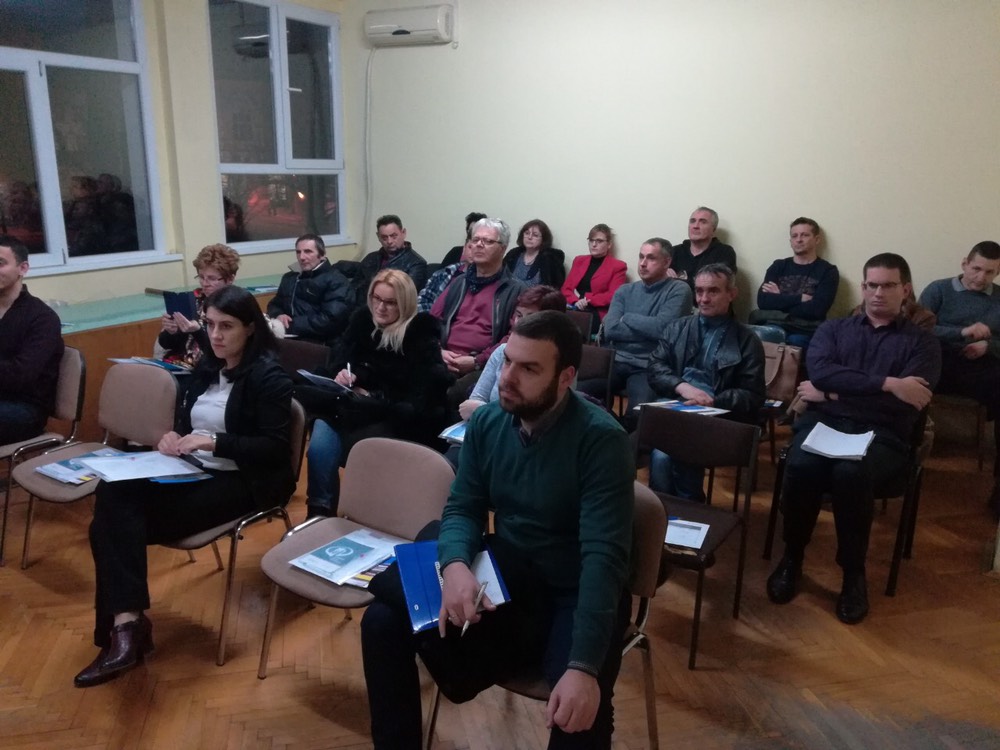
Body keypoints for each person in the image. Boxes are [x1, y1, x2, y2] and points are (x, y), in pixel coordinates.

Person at [360, 310, 634, 749]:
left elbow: (603, 559)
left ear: (566, 378)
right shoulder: (489, 423)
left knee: (577, 711)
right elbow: (463, 507)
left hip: (575, 589)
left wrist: (583, 666)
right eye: (507, 360)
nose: (507, 378)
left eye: (529, 369)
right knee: (381, 621)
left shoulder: (601, 440)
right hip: (510, 575)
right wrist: (455, 565)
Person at [74, 285, 294, 687]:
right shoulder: (207, 369)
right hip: (195, 469)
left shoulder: (269, 376)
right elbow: (188, 422)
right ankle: (127, 625)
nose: (215, 335)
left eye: (226, 326)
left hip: (243, 480)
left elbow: (275, 449)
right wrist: (172, 437)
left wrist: (213, 443)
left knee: (108, 527)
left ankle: (124, 632)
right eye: (210, 324)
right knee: (111, 492)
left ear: (250, 328)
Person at [767, 253, 941, 625]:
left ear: (905, 289)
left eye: (888, 285)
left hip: (884, 434)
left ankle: (853, 573)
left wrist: (832, 394)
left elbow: (905, 406)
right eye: (871, 285)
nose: (878, 293)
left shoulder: (923, 344)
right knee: (801, 464)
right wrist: (889, 384)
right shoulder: (833, 330)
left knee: (851, 473)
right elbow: (821, 374)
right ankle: (792, 557)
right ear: (862, 287)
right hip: (824, 424)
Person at [296, 270, 452, 519]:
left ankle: (368, 518)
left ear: (404, 304)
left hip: (391, 418)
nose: (380, 307)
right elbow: (339, 361)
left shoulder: (420, 334)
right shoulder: (362, 322)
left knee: (362, 455)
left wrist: (373, 397)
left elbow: (420, 400)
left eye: (390, 302)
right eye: (376, 299)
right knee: (318, 448)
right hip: (346, 406)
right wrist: (344, 375)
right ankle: (319, 513)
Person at [646, 263, 765, 500]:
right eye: (699, 291)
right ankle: (674, 510)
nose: (703, 299)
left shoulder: (747, 340)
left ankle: (683, 508)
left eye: (713, 291)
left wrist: (713, 400)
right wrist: (682, 386)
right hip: (676, 404)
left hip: (720, 416)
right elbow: (655, 367)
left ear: (732, 294)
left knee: (667, 453)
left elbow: (753, 395)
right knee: (659, 454)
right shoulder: (677, 328)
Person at [917, 240, 1000, 514]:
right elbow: (917, 329)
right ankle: (906, 454)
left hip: (980, 366)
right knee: (911, 378)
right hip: (939, 361)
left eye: (989, 272)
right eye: (976, 269)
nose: (981, 277)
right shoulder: (938, 289)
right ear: (965, 263)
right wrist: (962, 333)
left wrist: (989, 346)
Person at [578, 238, 692, 420]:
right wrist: (646, 328)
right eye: (641, 257)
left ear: (667, 262)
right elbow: (611, 329)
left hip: (649, 366)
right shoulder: (624, 291)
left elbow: (663, 329)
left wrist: (627, 318)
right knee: (576, 394)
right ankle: (608, 428)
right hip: (615, 361)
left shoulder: (678, 290)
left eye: (651, 258)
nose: (643, 263)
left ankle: (621, 433)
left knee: (638, 413)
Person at [430, 218, 525, 399]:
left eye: (488, 241)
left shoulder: (516, 290)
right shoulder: (459, 282)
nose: (479, 245)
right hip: (443, 357)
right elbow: (431, 322)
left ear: (503, 248)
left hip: (484, 365)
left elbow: (514, 336)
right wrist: (438, 350)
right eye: (475, 240)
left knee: (452, 394)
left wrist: (476, 361)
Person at [0, 235, 64, 444]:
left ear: (23, 268)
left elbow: (20, 375)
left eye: (1, 263)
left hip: (25, 408)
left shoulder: (42, 318)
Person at [751, 217, 840, 349]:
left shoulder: (828, 271)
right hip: (775, 325)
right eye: (794, 236)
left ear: (817, 239)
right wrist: (800, 298)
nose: (799, 239)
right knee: (763, 336)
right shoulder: (778, 266)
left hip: (806, 329)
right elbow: (763, 301)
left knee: (795, 340)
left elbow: (817, 310)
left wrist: (779, 298)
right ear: (790, 241)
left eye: (805, 235)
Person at [156, 243, 240, 367]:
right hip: (180, 365)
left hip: (213, 370)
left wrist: (197, 331)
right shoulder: (193, 300)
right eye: (201, 277)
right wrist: (171, 331)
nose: (205, 283)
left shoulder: (236, 306)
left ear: (230, 279)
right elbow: (167, 344)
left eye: (212, 278)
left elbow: (221, 356)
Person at [267, 233, 353, 345]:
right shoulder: (289, 278)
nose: (302, 257)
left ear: (321, 255)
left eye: (308, 251)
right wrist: (278, 315)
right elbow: (274, 304)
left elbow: (331, 319)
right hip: (288, 339)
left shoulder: (336, 281)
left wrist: (290, 326)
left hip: (321, 343)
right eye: (298, 252)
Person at [561, 223, 628, 332]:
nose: (594, 244)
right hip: (573, 305)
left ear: (609, 244)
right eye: (591, 240)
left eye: (599, 241)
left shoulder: (618, 266)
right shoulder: (579, 260)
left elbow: (613, 296)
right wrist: (575, 301)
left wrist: (586, 298)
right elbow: (566, 289)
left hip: (596, 311)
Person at [669, 207, 737, 293]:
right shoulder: (674, 251)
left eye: (703, 222)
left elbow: (713, 287)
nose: (695, 226)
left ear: (713, 230)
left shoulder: (724, 252)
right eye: (692, 221)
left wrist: (675, 281)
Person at [358, 214, 429, 292]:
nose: (389, 241)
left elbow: (405, 294)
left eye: (394, 236)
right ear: (378, 237)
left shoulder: (416, 263)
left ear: (403, 233)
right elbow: (356, 286)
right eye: (384, 237)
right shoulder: (371, 258)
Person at [503, 218, 567, 288]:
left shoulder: (550, 259)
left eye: (535, 235)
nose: (529, 237)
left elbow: (554, 288)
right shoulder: (513, 254)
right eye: (527, 233)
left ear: (543, 239)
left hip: (537, 295)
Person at [418, 238, 472, 313]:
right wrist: (428, 319)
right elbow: (423, 300)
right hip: (432, 318)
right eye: (470, 247)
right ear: (464, 249)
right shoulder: (444, 273)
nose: (475, 251)